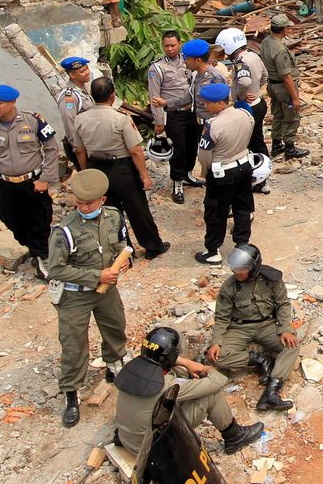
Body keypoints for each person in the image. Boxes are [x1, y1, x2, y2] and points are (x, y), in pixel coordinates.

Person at [46, 168, 130, 428]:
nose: (83, 207)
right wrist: (97, 276)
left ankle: (114, 365)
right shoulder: (64, 231)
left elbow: (120, 245)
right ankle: (72, 392)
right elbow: (56, 270)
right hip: (74, 295)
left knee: (115, 327)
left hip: (106, 292)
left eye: (89, 203)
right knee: (73, 344)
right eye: (79, 203)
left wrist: (125, 263)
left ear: (102, 201)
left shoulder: (114, 217)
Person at [115, 326, 264, 455]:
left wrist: (180, 363)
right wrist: (205, 368)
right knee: (212, 395)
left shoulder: (133, 369)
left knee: (178, 371)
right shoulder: (167, 384)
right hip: (150, 449)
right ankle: (234, 436)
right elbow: (219, 381)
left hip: (128, 439)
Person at [70, 78, 169, 259]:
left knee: (110, 213)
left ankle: (124, 251)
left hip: (97, 168)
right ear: (112, 95)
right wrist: (145, 176)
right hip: (122, 169)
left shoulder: (80, 119)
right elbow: (135, 151)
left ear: (92, 96)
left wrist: (86, 172)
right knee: (137, 209)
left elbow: (79, 150)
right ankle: (153, 247)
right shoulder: (121, 118)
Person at [0, 84, 59, 279]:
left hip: (32, 182)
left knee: (39, 219)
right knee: (12, 221)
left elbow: (52, 149)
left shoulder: (33, 121)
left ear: (13, 102)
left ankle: (42, 257)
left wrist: (45, 178)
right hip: (4, 185)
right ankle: (33, 248)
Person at [206, 244, 297, 411]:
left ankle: (272, 390)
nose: (237, 272)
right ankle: (260, 360)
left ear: (253, 268)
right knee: (217, 357)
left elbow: (283, 304)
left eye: (242, 269)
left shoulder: (271, 280)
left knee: (291, 346)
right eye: (235, 269)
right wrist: (216, 342)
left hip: (266, 325)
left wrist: (285, 328)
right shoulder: (229, 287)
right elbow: (222, 317)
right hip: (239, 328)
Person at [194, 83, 255, 264]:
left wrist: (205, 173)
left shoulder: (213, 125)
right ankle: (242, 243)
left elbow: (204, 155)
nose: (205, 106)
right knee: (243, 207)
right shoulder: (245, 114)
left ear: (220, 103)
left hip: (223, 172)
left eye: (208, 103)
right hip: (244, 166)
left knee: (215, 211)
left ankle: (213, 251)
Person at [147, 30, 195, 204]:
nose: (169, 49)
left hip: (192, 111)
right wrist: (159, 121)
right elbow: (154, 96)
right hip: (174, 114)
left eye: (173, 45)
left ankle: (188, 174)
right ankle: (177, 182)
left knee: (192, 145)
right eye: (166, 46)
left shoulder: (188, 61)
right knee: (178, 149)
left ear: (179, 44)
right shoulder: (157, 67)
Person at [260, 13, 309, 159]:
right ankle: (290, 147)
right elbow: (286, 76)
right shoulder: (280, 50)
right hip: (283, 88)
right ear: (284, 29)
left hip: (273, 86)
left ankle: (276, 144)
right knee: (291, 117)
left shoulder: (266, 42)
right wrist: (295, 98)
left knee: (278, 115)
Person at [182, 38, 228, 192]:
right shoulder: (197, 75)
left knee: (216, 159)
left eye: (187, 58)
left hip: (213, 125)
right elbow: (191, 97)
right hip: (201, 123)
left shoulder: (215, 77)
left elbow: (223, 105)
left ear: (198, 59)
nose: (185, 61)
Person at [218, 27, 270, 159]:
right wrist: (256, 89)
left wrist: (242, 96)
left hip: (248, 106)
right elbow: (265, 75)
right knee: (257, 136)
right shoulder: (253, 55)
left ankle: (260, 165)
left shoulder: (240, 63)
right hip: (259, 103)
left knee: (252, 141)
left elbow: (244, 81)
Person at [57, 57, 93, 172]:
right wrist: (79, 151)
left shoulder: (85, 88)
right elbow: (70, 126)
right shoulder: (69, 97)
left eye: (87, 69)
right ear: (72, 75)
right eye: (82, 71)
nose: (87, 73)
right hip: (83, 148)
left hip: (91, 144)